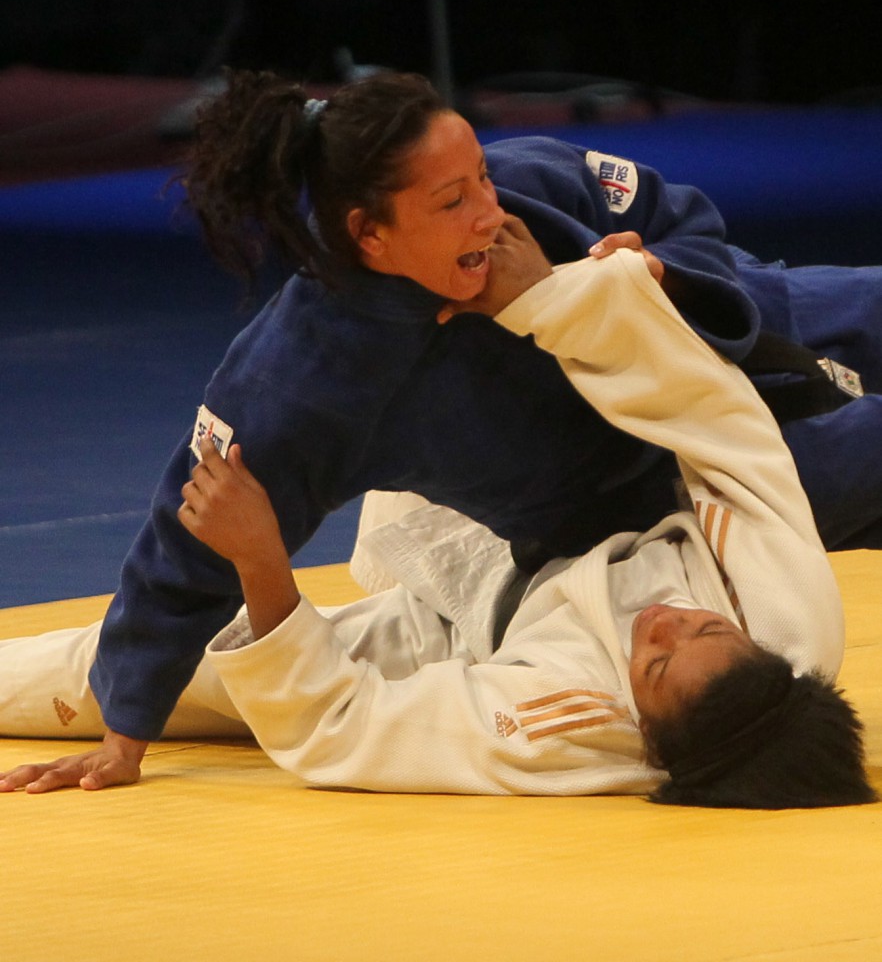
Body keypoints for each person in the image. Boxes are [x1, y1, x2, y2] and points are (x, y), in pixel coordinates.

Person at [2, 67, 881, 792]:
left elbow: (684, 247)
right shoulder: (303, 379)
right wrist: (127, 728)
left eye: (481, 184)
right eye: (454, 200)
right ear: (370, 237)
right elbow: (184, 549)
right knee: (190, 669)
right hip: (549, 541)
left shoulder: (525, 191)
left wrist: (620, 284)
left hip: (711, 364)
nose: (490, 214)